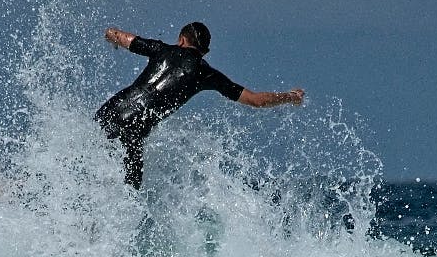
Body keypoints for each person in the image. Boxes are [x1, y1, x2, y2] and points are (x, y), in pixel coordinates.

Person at [94, 21, 304, 188]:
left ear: (181, 40)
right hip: (134, 130)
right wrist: (290, 96)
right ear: (205, 52)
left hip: (110, 110)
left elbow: (116, 34)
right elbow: (257, 101)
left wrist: (111, 38)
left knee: (86, 160)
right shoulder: (206, 73)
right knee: (129, 193)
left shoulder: (160, 49)